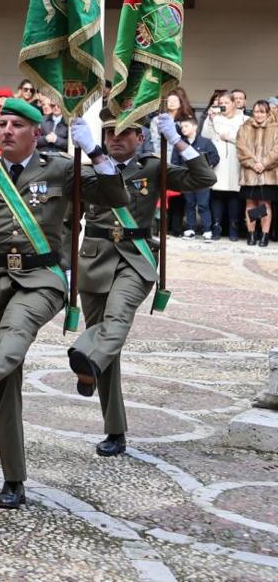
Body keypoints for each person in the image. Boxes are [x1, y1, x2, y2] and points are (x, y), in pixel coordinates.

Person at [0, 97, 128, 509]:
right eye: (1, 124)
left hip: (41, 279)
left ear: (34, 132)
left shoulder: (61, 168)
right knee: (5, 386)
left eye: (15, 125)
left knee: (16, 334)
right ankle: (13, 478)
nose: (5, 130)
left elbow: (115, 196)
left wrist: (96, 151)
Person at [70, 110, 216, 457]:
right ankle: (115, 428)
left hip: (136, 260)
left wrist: (178, 140)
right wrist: (63, 266)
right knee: (109, 348)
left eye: (125, 132)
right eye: (109, 133)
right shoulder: (87, 169)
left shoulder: (152, 166)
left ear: (140, 137)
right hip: (94, 259)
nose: (116, 139)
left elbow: (204, 178)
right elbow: (67, 220)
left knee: (116, 322)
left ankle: (85, 355)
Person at [202, 91, 246, 241]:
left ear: (234, 103)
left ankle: (234, 229)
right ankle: (216, 227)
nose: (223, 106)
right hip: (218, 163)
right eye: (221, 103)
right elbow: (205, 136)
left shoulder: (244, 119)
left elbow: (244, 139)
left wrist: (230, 137)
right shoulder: (214, 118)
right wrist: (209, 119)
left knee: (234, 195)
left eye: (226, 103)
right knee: (216, 195)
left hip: (235, 162)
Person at [237, 100, 278, 246]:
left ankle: (264, 236)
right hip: (250, 174)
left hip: (268, 175)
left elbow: (276, 150)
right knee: (250, 204)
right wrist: (254, 164)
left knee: (265, 204)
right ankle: (251, 234)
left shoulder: (276, 128)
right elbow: (241, 148)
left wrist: (264, 164)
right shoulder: (244, 127)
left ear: (267, 113)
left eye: (262, 112)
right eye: (256, 111)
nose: (258, 115)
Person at [176, 117, 218, 239]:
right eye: (182, 127)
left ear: (195, 127)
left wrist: (208, 167)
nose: (183, 129)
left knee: (203, 205)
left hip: (202, 180)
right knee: (189, 204)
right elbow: (175, 161)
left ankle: (207, 230)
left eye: (186, 126)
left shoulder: (205, 142)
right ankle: (190, 229)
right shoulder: (179, 144)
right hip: (187, 179)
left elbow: (215, 157)